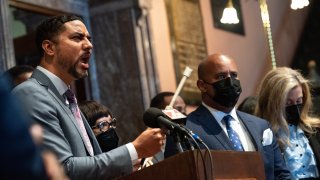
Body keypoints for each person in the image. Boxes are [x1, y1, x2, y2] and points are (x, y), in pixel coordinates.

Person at [12, 14, 165, 180]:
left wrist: (132, 162)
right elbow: (62, 169)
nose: (89, 45)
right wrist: (134, 150)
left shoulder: (65, 96)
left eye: (89, 38)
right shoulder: (31, 93)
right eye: (77, 38)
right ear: (49, 48)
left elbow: (88, 161)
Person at [183, 53, 291, 180]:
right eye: (221, 76)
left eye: (234, 75)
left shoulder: (260, 125)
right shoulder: (186, 129)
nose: (230, 82)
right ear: (202, 85)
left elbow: (281, 174)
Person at [255, 67, 320, 179]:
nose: (295, 107)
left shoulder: (315, 129)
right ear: (272, 104)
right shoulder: (261, 136)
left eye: (299, 101)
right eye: (287, 103)